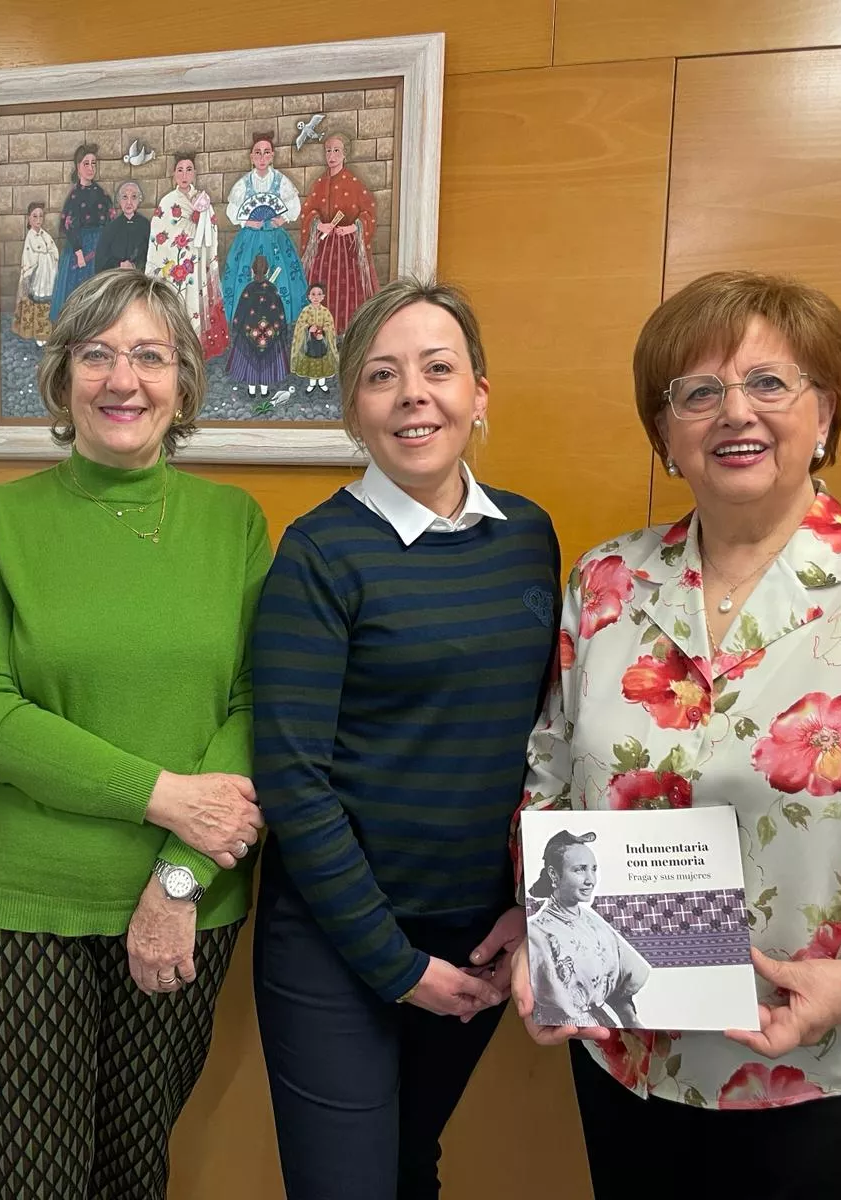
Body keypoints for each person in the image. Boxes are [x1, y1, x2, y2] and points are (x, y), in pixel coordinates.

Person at [471, 270, 841, 1200]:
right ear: (665, 434)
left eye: (770, 383)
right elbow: (551, 779)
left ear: (827, 413)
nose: (735, 412)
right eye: (697, 392)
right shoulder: (608, 580)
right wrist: (548, 939)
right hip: (634, 1063)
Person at [0, 268, 271, 1200]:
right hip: (15, 903)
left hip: (188, 893)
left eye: (150, 356)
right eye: (97, 354)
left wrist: (179, 876)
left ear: (184, 384)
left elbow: (255, 705)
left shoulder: (234, 524)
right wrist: (167, 798)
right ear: (61, 378)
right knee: (36, 1186)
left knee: (133, 1176)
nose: (124, 379)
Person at [251, 277, 561, 1200]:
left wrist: (524, 902)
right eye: (383, 376)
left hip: (478, 935)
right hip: (336, 942)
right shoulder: (319, 554)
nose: (413, 394)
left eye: (438, 369)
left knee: (409, 1162)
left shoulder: (530, 535)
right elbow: (294, 781)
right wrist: (394, 964)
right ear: (354, 407)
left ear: (480, 394)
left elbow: (547, 736)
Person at [525, 831, 649, 1028]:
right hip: (561, 1029)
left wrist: (630, 1019)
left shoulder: (596, 924)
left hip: (604, 1025)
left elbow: (622, 983)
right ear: (553, 874)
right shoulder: (537, 933)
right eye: (580, 870)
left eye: (593, 869)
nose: (590, 879)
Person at [145, 151, 228, 358]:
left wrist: (203, 220)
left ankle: (195, 349)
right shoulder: (167, 202)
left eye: (188, 170)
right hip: (176, 267)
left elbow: (212, 231)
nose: (184, 175)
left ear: (194, 173)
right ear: (174, 174)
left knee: (197, 304)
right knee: (177, 302)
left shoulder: (203, 200)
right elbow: (160, 235)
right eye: (180, 170)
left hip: (198, 264)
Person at [222, 134, 309, 326]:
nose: (262, 158)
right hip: (250, 239)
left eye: (266, 153)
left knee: (281, 275)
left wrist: (283, 218)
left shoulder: (280, 181)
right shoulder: (244, 183)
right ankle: (246, 323)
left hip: (275, 238)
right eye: (258, 153)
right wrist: (247, 222)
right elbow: (232, 210)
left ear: (272, 156)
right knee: (246, 277)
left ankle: (280, 321)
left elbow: (294, 206)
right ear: (251, 157)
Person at [299, 133, 380, 329]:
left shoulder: (353, 183)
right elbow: (308, 211)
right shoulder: (319, 183)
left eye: (336, 151)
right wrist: (318, 224)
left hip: (348, 250)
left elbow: (369, 211)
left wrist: (353, 227)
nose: (332, 155)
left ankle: (347, 332)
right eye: (328, 151)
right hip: (324, 250)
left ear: (345, 155)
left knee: (346, 291)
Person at [51, 142, 112, 319]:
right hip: (79, 248)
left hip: (99, 246)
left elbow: (110, 219)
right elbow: (69, 226)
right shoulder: (75, 195)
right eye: (86, 163)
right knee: (77, 293)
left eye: (93, 163)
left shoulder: (101, 193)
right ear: (78, 167)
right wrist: (78, 252)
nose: (91, 168)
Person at [226, 254, 289, 400]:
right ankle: (265, 390)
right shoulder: (272, 289)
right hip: (270, 331)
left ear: (252, 271)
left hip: (249, 330)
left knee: (251, 358)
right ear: (267, 271)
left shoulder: (249, 288)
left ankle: (252, 390)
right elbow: (279, 311)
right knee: (267, 359)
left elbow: (241, 310)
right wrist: (281, 328)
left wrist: (236, 326)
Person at [13, 199, 59, 344]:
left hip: (48, 277)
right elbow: (29, 259)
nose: (38, 220)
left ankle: (46, 331)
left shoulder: (45, 235)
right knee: (37, 302)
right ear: (29, 218)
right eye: (35, 216)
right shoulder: (30, 237)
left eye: (41, 216)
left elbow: (54, 251)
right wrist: (42, 259)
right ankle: (38, 333)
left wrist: (50, 258)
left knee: (47, 302)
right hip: (37, 278)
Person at [289, 281, 338, 392]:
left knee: (322, 360)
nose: (316, 297)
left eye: (319, 294)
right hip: (309, 342)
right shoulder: (306, 311)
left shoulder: (326, 311)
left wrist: (323, 330)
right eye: (313, 294)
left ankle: (322, 383)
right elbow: (300, 325)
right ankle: (311, 384)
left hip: (322, 341)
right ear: (309, 296)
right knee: (311, 360)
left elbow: (329, 325)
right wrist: (308, 328)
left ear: (323, 297)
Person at [97, 179, 152, 274]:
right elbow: (101, 260)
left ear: (140, 199)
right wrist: (119, 264)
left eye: (134, 197)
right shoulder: (111, 228)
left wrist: (135, 266)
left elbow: (151, 254)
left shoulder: (146, 226)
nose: (129, 202)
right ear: (119, 200)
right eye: (125, 197)